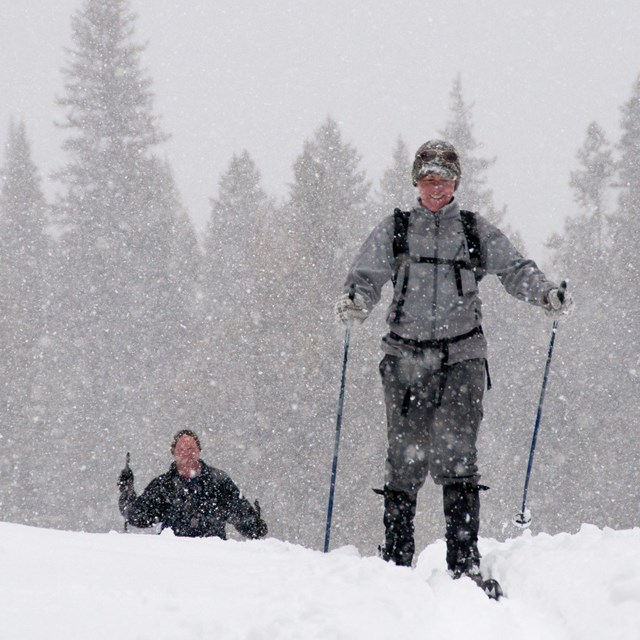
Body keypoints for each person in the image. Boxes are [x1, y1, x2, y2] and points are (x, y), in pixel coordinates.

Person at [335, 140, 573, 586]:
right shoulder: (397, 228)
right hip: (404, 359)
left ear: (456, 183)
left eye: (443, 180)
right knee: (404, 461)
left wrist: (545, 293)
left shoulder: (474, 230)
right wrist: (355, 302)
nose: (436, 188)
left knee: (458, 457)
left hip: (462, 359)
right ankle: (396, 564)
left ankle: (463, 563)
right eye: (428, 180)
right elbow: (364, 277)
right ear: (416, 183)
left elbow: (514, 268)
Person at [118, 429, 267, 539]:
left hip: (214, 559)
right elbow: (136, 516)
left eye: (191, 449)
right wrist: (127, 491)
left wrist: (255, 525)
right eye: (181, 449)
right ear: (174, 453)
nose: (186, 453)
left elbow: (241, 515)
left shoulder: (218, 482)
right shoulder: (163, 485)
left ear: (199, 451)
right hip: (173, 560)